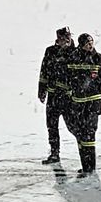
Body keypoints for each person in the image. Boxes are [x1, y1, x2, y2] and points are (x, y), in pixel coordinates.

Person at [65, 33, 101, 177]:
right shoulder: (73, 58)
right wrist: (69, 95)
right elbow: (67, 79)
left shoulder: (99, 59)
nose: (90, 45)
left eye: (91, 42)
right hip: (77, 104)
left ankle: (91, 168)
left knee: (89, 134)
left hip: (93, 104)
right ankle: (85, 167)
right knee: (80, 135)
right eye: (87, 43)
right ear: (81, 44)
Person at [37, 27, 75, 165]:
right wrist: (42, 90)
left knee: (73, 126)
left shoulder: (75, 53)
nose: (67, 39)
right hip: (53, 97)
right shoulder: (50, 51)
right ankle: (54, 153)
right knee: (51, 125)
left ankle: (86, 152)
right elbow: (44, 71)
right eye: (64, 37)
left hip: (68, 97)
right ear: (58, 38)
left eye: (68, 36)